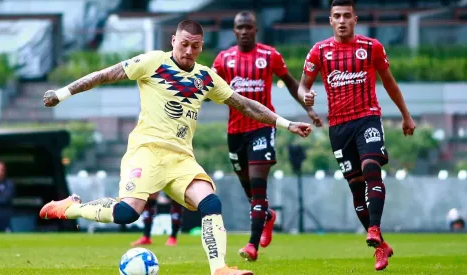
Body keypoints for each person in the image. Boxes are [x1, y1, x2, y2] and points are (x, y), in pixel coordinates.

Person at [39, 20, 312, 275]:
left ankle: (219, 269)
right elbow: (105, 75)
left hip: (181, 158)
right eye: (184, 44)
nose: (189, 50)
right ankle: (72, 208)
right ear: (173, 40)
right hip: (147, 151)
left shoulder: (205, 78)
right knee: (126, 213)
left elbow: (245, 104)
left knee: (211, 202)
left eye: (195, 46)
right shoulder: (153, 62)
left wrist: (286, 124)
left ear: (201, 47)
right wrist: (62, 93)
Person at [301, 0, 416, 271]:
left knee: (371, 168)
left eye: (346, 16)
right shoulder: (319, 51)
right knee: (355, 187)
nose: (342, 20)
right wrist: (305, 97)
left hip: (367, 119)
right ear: (330, 21)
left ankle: (374, 228)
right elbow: (303, 86)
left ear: (355, 19)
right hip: (338, 128)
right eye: (337, 16)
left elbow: (389, 82)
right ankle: (381, 248)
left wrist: (406, 115)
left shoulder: (371, 47)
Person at [211, 11, 323, 262]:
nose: (244, 31)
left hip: (262, 128)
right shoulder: (223, 59)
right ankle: (268, 216)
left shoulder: (269, 55)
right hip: (235, 132)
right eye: (240, 27)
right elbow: (206, 84)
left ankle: (252, 245)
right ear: (234, 30)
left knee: (258, 184)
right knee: (249, 189)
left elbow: (292, 83)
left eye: (249, 27)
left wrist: (309, 109)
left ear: (255, 30)